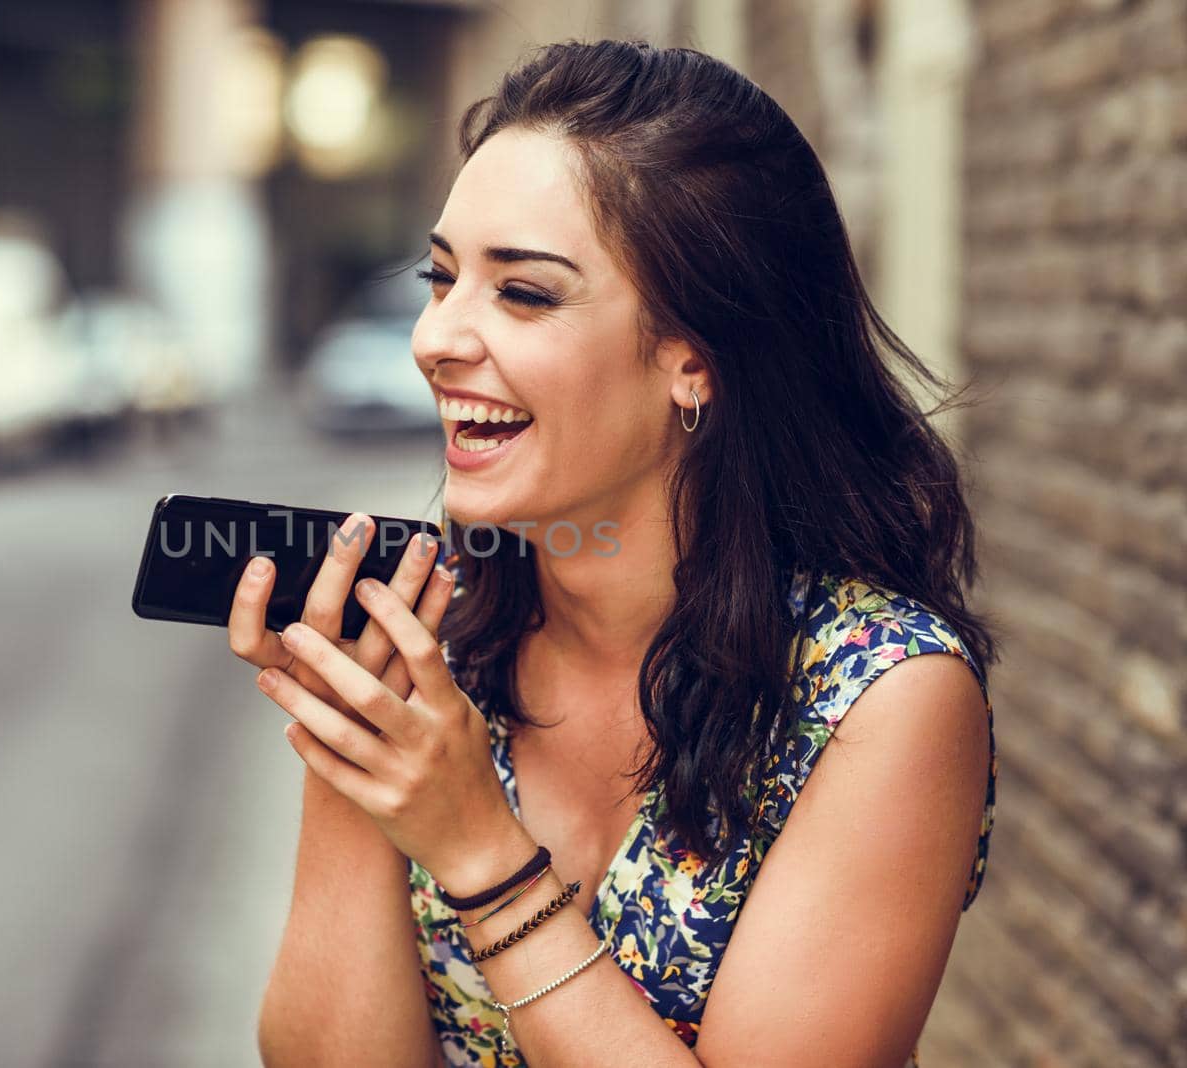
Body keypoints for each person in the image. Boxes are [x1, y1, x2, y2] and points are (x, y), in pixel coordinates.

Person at [237, 39, 997, 1068]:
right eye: (442, 277)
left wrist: (477, 849)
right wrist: (352, 739)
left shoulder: (878, 697)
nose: (433, 339)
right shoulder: (441, 650)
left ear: (692, 362)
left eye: (523, 294)